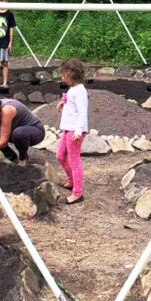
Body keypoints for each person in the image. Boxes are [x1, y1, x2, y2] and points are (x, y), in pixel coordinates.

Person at [0, 90, 45, 167]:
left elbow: (3, 141)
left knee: (18, 134)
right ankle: (12, 157)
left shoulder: (6, 110)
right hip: (13, 131)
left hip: (35, 131)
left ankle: (23, 159)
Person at [55, 59, 89, 205]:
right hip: (68, 128)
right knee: (60, 155)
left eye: (63, 75)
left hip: (75, 130)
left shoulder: (80, 91)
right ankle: (71, 180)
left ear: (71, 74)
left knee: (74, 161)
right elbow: (72, 105)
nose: (62, 77)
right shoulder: (73, 89)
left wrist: (78, 131)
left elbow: (82, 112)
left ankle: (77, 192)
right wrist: (63, 102)